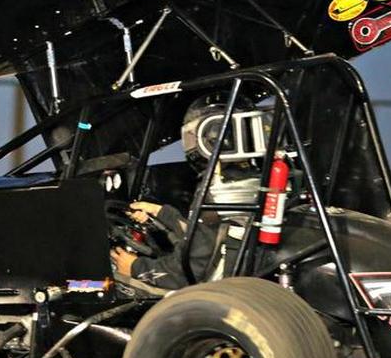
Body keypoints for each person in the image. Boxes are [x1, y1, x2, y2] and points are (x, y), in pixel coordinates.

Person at [109, 92, 272, 289]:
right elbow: (209, 234)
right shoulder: (255, 180)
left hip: (213, 295)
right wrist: (161, 213)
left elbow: (184, 273)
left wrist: (135, 267)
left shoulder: (219, 191)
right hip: (247, 285)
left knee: (114, 285)